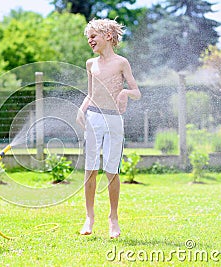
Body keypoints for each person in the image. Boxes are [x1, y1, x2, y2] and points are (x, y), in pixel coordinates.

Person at [76, 18, 141, 239]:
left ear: (108, 37)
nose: (90, 40)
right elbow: (91, 92)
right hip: (94, 117)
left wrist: (124, 93)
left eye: (93, 36)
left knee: (111, 171)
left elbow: (136, 92)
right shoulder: (90, 64)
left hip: (114, 120)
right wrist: (81, 109)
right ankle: (89, 217)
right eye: (88, 37)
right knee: (90, 169)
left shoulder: (122, 63)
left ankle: (113, 218)